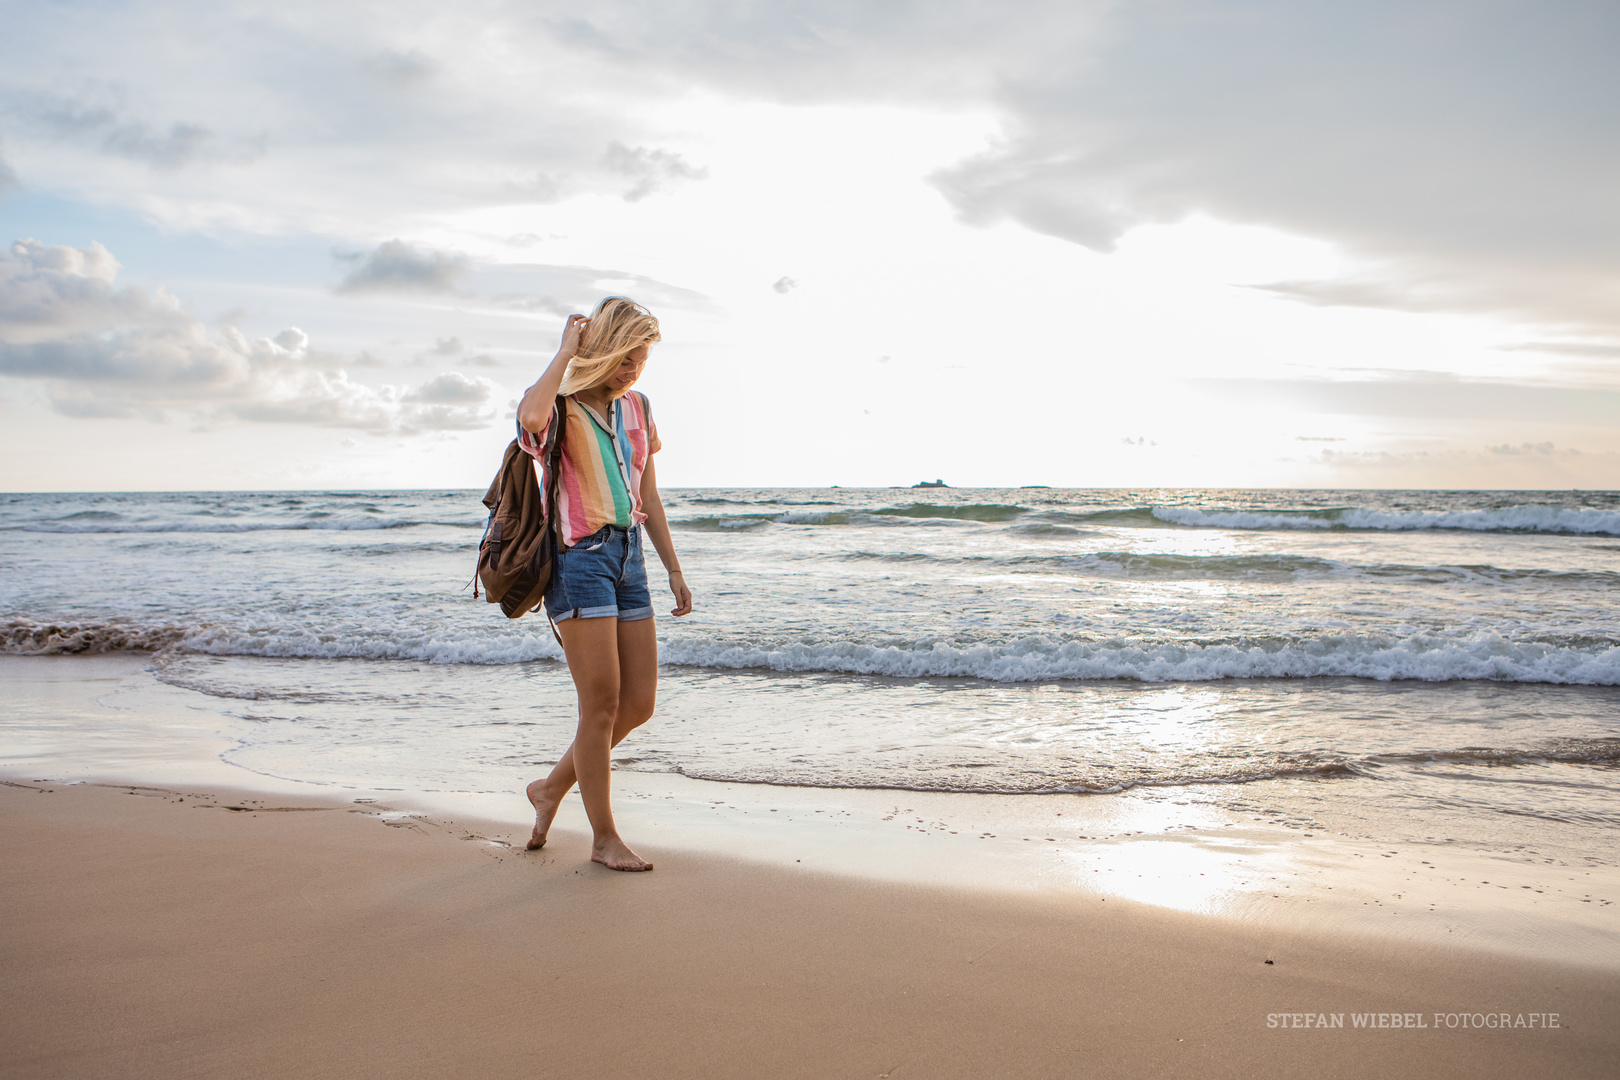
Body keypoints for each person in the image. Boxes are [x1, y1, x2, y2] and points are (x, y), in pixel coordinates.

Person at [514, 297, 692, 871]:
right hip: (579, 560)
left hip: (630, 557)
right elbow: (530, 420)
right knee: (600, 706)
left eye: (639, 362)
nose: (631, 372)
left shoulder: (638, 407)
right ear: (602, 352)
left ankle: (548, 790)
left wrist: (673, 567)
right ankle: (603, 838)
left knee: (638, 704)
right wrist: (565, 353)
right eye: (623, 360)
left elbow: (651, 495)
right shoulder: (562, 406)